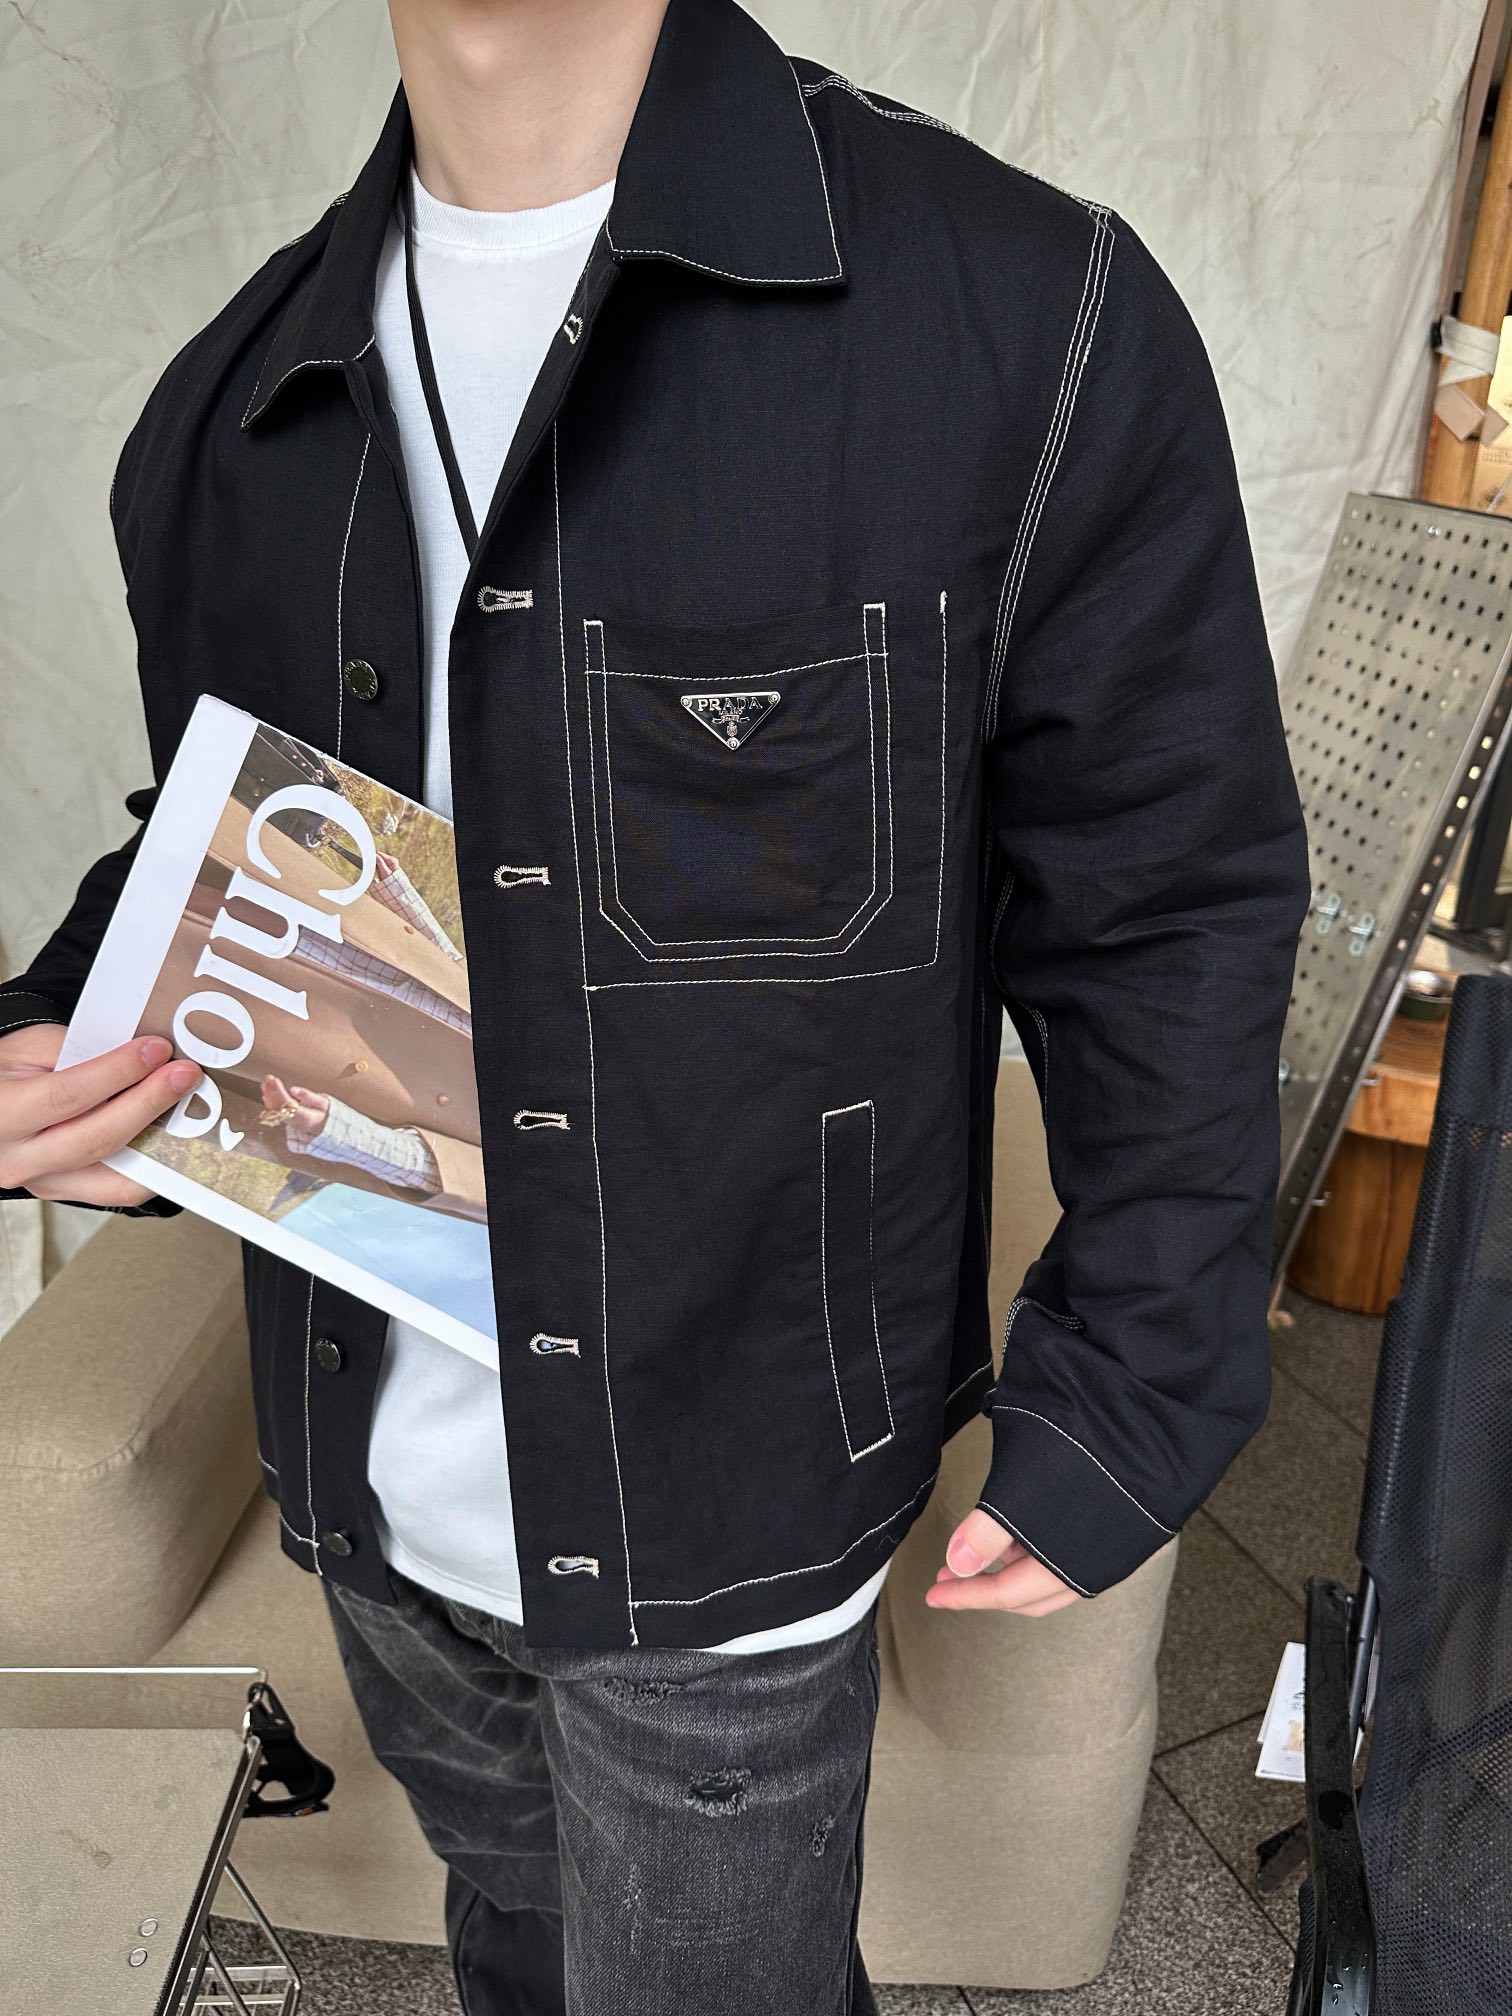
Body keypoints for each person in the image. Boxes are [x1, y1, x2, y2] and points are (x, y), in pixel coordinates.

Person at [0, 1, 1313, 2010]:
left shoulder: (1019, 319)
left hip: (728, 1511)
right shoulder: (227, 411)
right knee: (515, 1945)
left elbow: (1171, 902)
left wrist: (1135, 1385)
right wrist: (52, 1032)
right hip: (370, 1487)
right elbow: (220, 836)